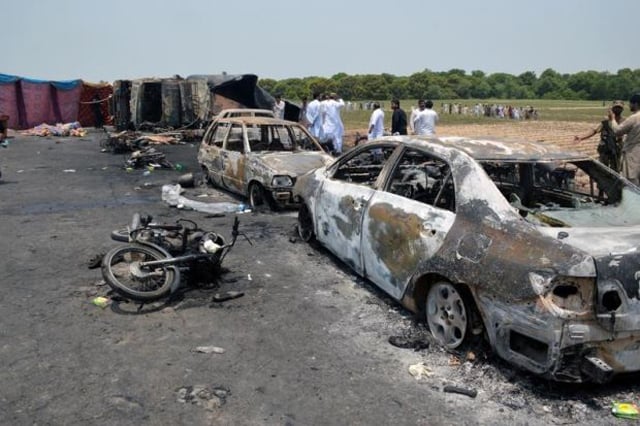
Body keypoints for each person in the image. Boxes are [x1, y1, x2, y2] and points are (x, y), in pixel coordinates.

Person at [574, 100, 625, 170]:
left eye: (619, 108)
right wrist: (581, 137)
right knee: (603, 169)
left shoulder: (624, 121)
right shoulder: (605, 121)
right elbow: (594, 130)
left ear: (622, 109)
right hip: (605, 148)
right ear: (612, 108)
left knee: (615, 169)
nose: (617, 109)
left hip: (616, 149)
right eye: (616, 107)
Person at [611, 93, 640, 185]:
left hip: (633, 153)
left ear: (635, 104)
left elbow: (617, 131)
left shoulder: (634, 118)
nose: (629, 105)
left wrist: (612, 119)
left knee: (631, 181)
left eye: (630, 103)